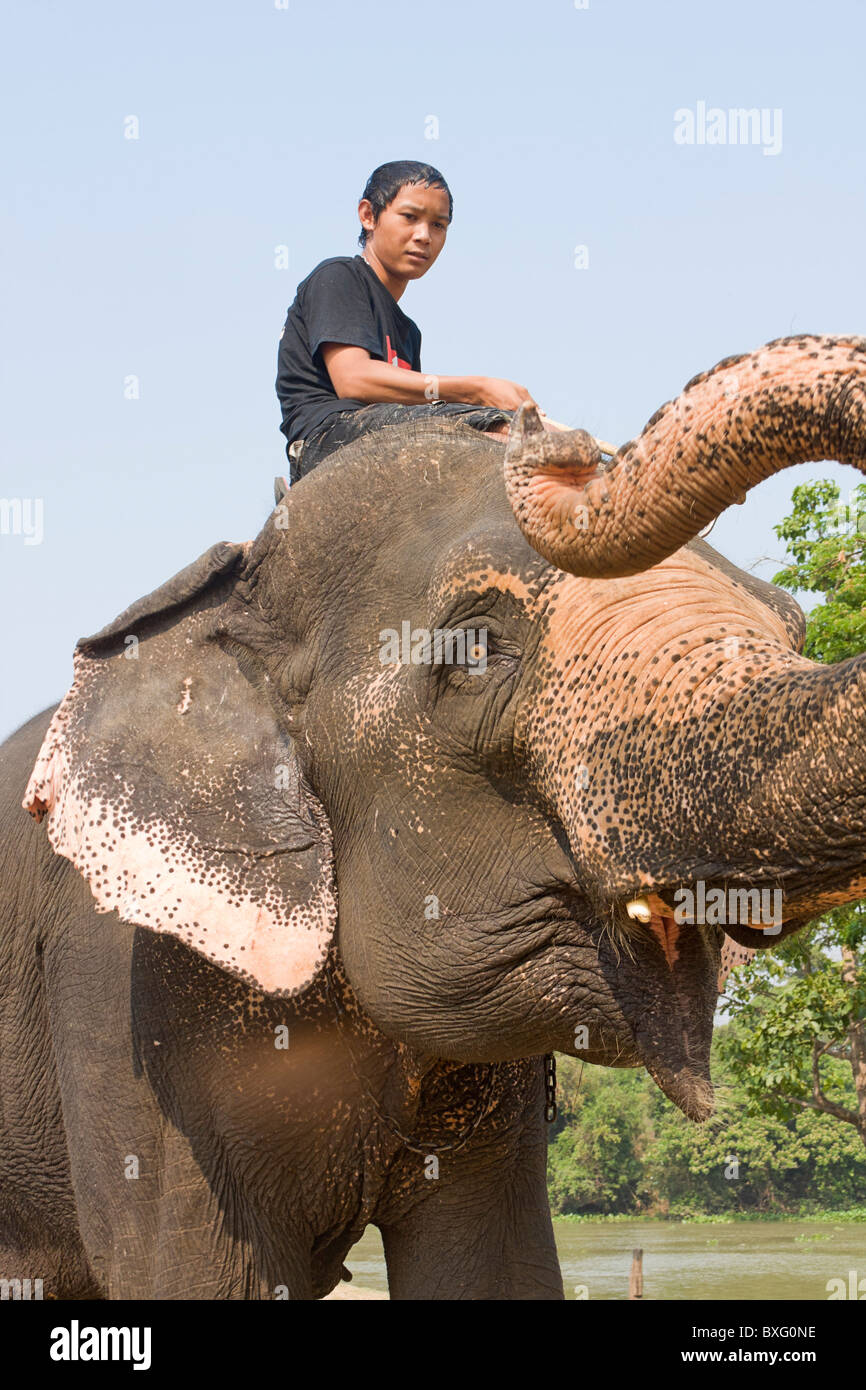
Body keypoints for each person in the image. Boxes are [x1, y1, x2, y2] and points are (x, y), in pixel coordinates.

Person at [275, 160, 567, 484]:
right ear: (368, 215)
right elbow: (353, 380)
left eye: (438, 226)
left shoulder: (409, 332)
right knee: (501, 434)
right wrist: (478, 391)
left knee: (537, 435)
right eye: (410, 218)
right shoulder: (338, 277)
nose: (424, 236)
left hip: (386, 428)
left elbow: (413, 405)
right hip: (327, 438)